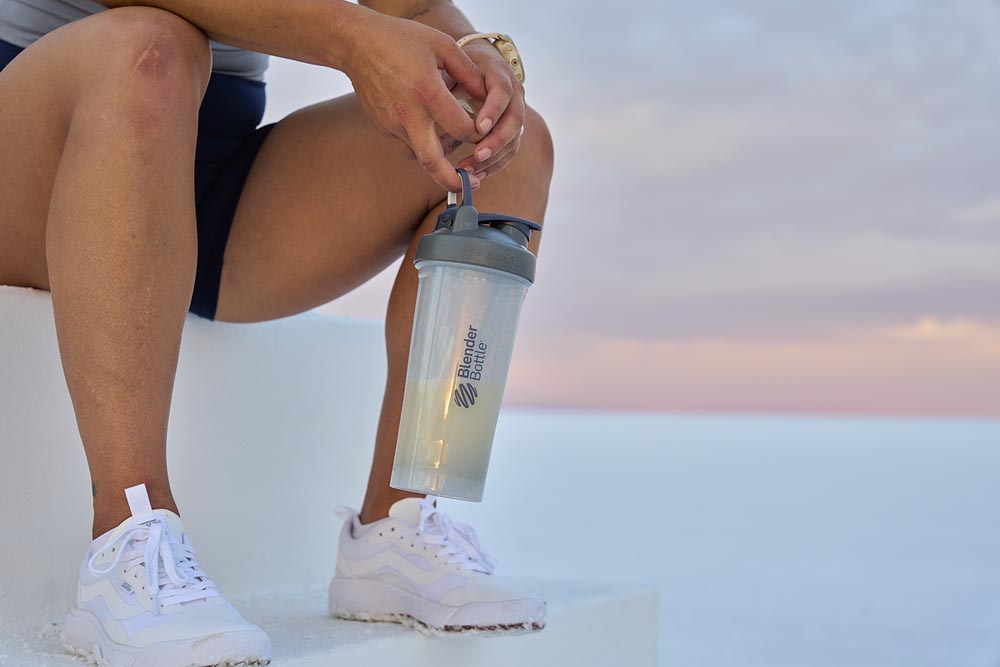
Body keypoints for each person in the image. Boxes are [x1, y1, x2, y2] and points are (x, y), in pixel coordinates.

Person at [0, 0, 553, 663]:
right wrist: (351, 39)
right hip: (41, 153)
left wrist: (475, 53)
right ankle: (128, 540)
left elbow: (411, 8)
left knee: (500, 146)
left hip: (214, 176)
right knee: (149, 49)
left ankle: (394, 530)